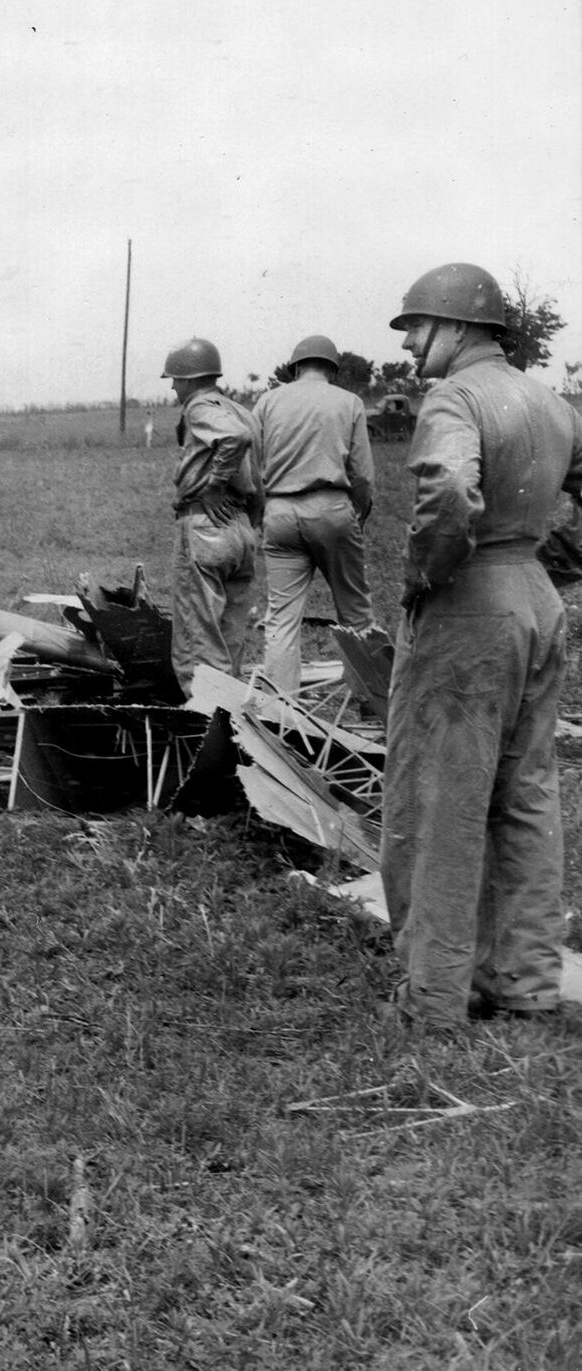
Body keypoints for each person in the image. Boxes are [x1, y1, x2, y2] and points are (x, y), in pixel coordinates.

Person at [380, 262, 582, 1026]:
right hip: (532, 600)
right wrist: (544, 567)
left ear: (462, 328)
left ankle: (436, 994)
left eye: (418, 327)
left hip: (469, 604)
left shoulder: (454, 397)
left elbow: (450, 493)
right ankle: (528, 984)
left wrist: (426, 579)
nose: (410, 344)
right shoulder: (552, 402)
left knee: (441, 800)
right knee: (527, 795)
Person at [251, 336, 382, 707]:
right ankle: (370, 706)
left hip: (279, 511)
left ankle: (279, 712)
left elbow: (251, 464)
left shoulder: (268, 401)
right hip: (331, 509)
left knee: (281, 620)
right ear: (332, 369)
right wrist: (356, 514)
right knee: (355, 613)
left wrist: (264, 510)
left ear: (295, 367)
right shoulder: (349, 402)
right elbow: (364, 476)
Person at [162, 337, 264, 694]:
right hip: (240, 529)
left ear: (189, 379)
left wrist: (214, 486)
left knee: (197, 644)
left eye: (174, 379)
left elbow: (232, 438)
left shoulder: (199, 407)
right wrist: (250, 522)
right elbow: (259, 477)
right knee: (228, 639)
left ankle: (207, 729)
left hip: (206, 522)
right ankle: (232, 729)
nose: (173, 386)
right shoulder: (242, 411)